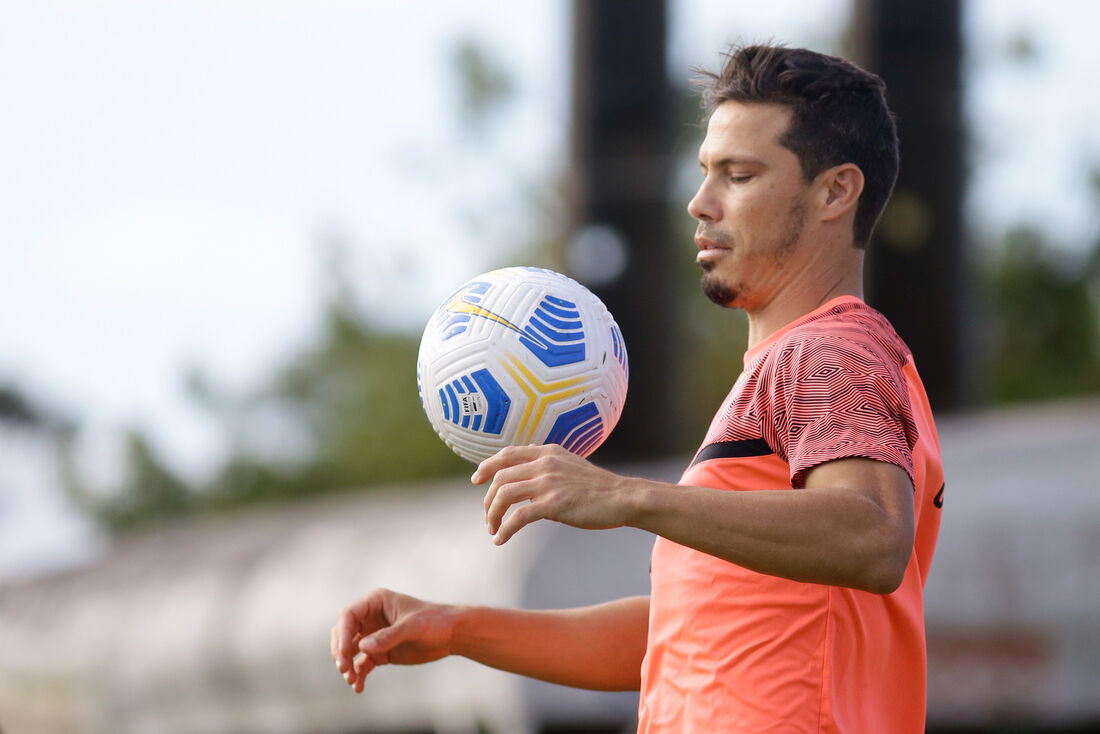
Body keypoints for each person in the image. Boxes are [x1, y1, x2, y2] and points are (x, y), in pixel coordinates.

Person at [331, 43, 944, 733]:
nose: (700, 202)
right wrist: (459, 629)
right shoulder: (791, 365)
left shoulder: (829, 350)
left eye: (739, 175)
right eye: (706, 171)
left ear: (835, 191)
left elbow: (872, 535)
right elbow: (683, 634)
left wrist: (624, 496)